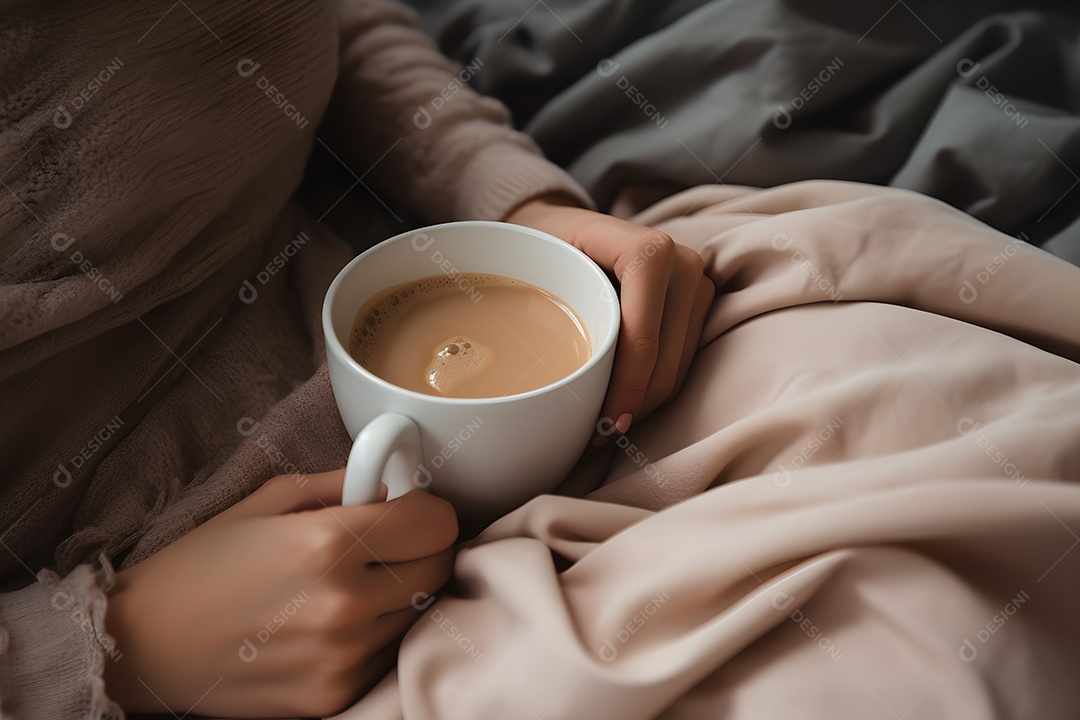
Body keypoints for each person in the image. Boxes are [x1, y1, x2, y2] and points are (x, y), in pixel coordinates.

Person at [0, 0, 713, 717]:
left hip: (371, 264)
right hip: (206, 634)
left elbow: (321, 22)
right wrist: (109, 649)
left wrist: (511, 209)